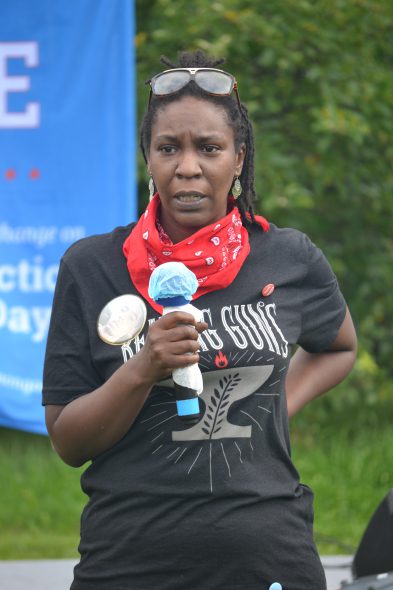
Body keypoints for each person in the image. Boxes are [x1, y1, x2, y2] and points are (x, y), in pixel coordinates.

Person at [43, 50, 357, 590]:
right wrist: (144, 366)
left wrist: (276, 407)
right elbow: (69, 442)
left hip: (268, 562)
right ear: (148, 157)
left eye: (209, 148)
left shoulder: (288, 257)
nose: (187, 166)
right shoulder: (91, 266)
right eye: (169, 148)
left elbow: (339, 346)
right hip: (128, 563)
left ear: (238, 159)